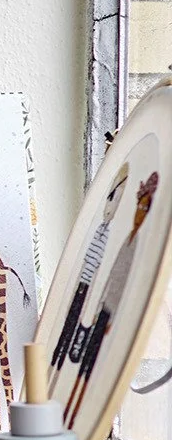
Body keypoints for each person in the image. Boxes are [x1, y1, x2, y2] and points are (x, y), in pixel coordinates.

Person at [68, 171, 159, 426]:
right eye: (139, 205)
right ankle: (73, 406)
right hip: (103, 308)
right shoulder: (126, 240)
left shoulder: (138, 243)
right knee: (85, 362)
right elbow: (110, 279)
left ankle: (78, 410)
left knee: (91, 368)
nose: (140, 211)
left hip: (112, 312)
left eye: (144, 207)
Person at [52, 163, 127, 377]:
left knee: (78, 327)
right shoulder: (99, 229)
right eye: (110, 198)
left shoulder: (112, 235)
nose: (109, 206)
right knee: (68, 323)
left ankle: (66, 364)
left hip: (90, 290)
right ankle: (57, 360)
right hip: (81, 285)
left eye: (115, 199)